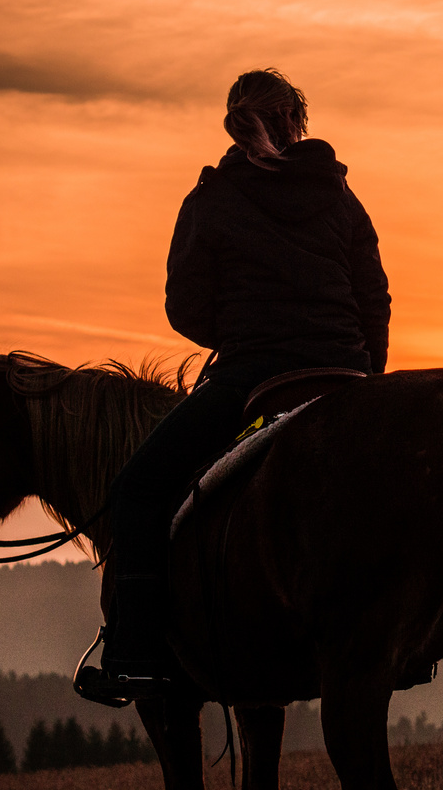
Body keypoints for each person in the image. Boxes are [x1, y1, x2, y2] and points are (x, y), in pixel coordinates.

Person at [88, 68, 391, 693]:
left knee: (138, 492)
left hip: (253, 376)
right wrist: (366, 375)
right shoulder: (341, 197)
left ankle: (139, 652)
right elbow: (375, 296)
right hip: (343, 378)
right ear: (295, 122)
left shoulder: (213, 199)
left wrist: (242, 334)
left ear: (236, 124)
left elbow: (185, 307)